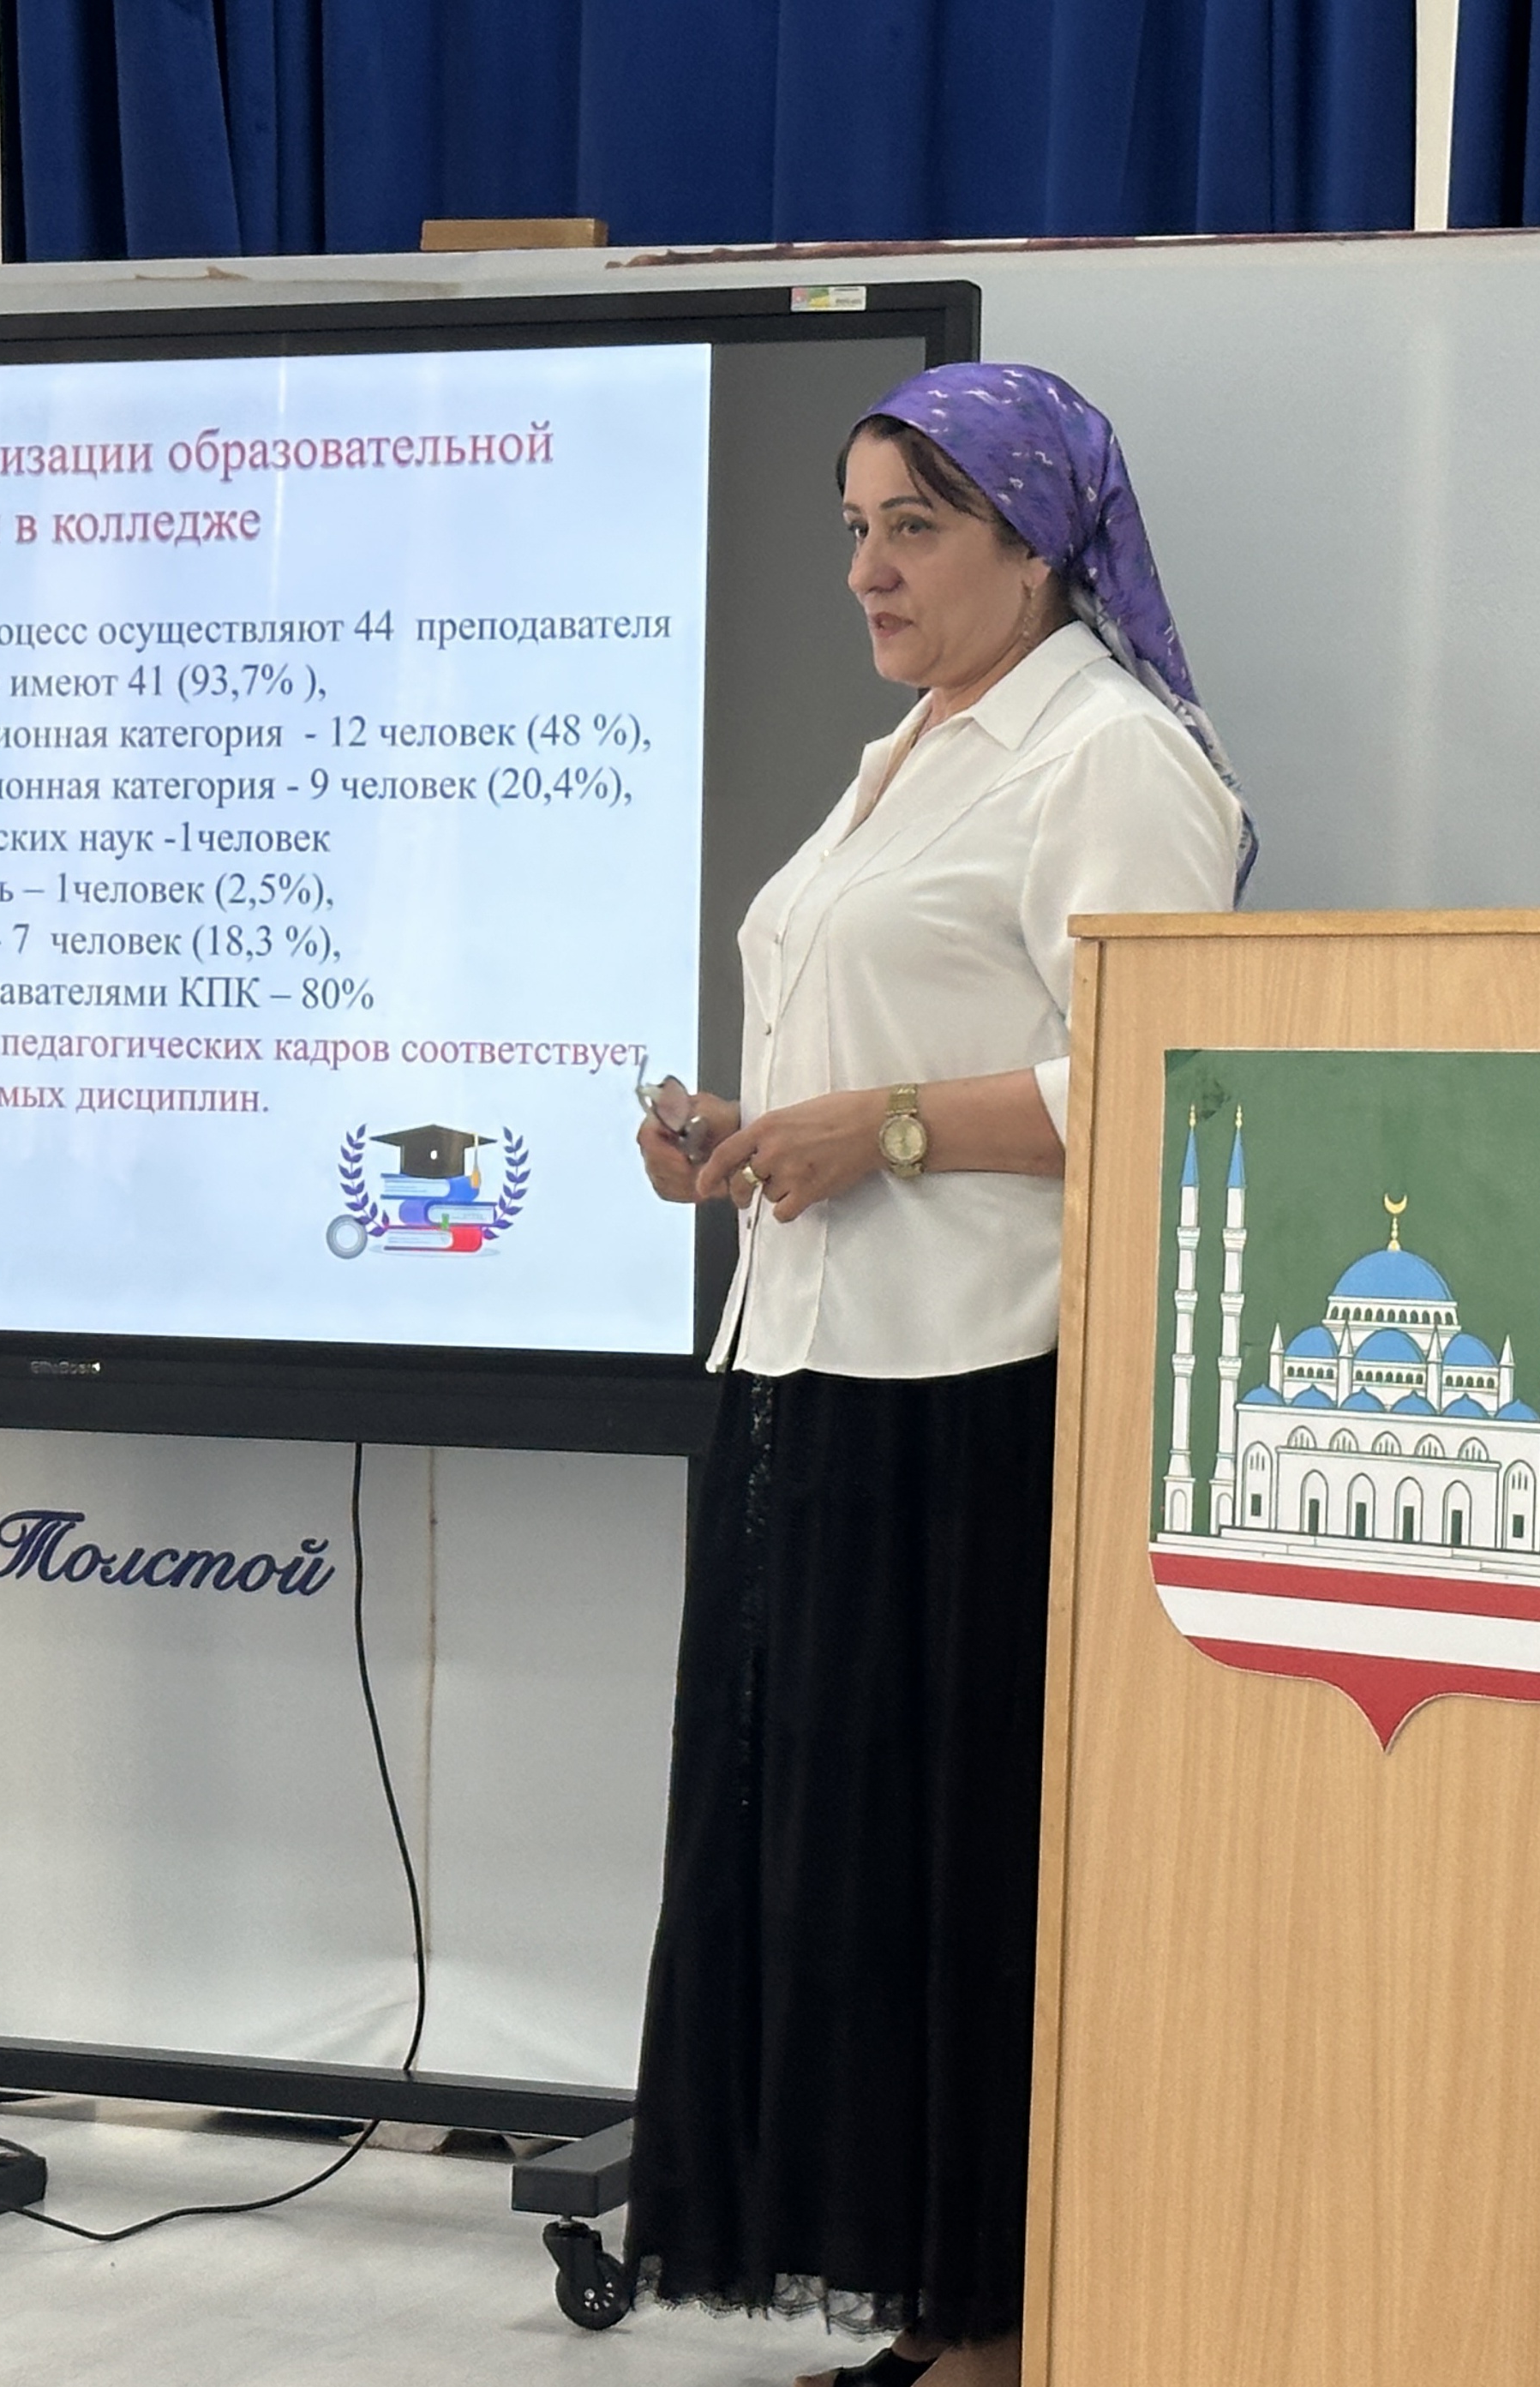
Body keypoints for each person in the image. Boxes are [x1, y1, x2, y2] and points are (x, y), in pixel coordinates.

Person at [625, 363, 1251, 2387]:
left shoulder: (1110, 754)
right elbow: (880, 1039)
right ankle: (932, 2309)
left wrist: (881, 1127)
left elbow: (1161, 1068)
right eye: (854, 528)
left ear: (1039, 542)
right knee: (828, 1872)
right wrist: (749, 1134)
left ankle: (996, 2332)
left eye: (915, 526)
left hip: (981, 1394)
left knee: (948, 1878)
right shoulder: (910, 749)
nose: (867, 571)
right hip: (809, 1366)